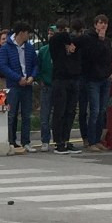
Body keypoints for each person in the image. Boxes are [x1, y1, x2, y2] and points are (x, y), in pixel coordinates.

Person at [0, 23, 39, 153]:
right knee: (11, 114)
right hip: (13, 85)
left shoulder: (29, 48)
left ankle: (26, 142)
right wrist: (17, 78)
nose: (28, 36)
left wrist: (32, 76)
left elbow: (36, 64)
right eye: (27, 33)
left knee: (26, 115)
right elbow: (3, 65)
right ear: (21, 33)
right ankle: (9, 141)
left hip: (27, 85)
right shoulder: (6, 48)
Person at [77, 14, 112, 151]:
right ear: (95, 25)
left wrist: (111, 72)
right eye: (100, 23)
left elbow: (109, 56)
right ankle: (91, 140)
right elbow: (92, 56)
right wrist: (100, 40)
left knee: (102, 111)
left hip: (105, 78)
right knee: (95, 110)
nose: (103, 25)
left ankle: (98, 139)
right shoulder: (89, 39)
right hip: (92, 78)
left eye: (105, 23)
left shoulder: (107, 40)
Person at [47, 19, 82, 152]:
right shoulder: (55, 41)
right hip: (60, 79)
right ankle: (58, 141)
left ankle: (66, 140)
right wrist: (68, 39)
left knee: (70, 111)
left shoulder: (74, 43)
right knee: (59, 111)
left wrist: (72, 42)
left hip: (72, 78)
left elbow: (82, 42)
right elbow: (60, 37)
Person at [35, 28, 55, 150]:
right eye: (49, 34)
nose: (50, 36)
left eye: (53, 34)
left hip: (58, 85)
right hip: (46, 85)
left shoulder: (61, 50)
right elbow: (38, 67)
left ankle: (59, 139)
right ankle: (45, 140)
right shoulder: (43, 50)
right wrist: (40, 80)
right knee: (44, 114)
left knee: (57, 114)